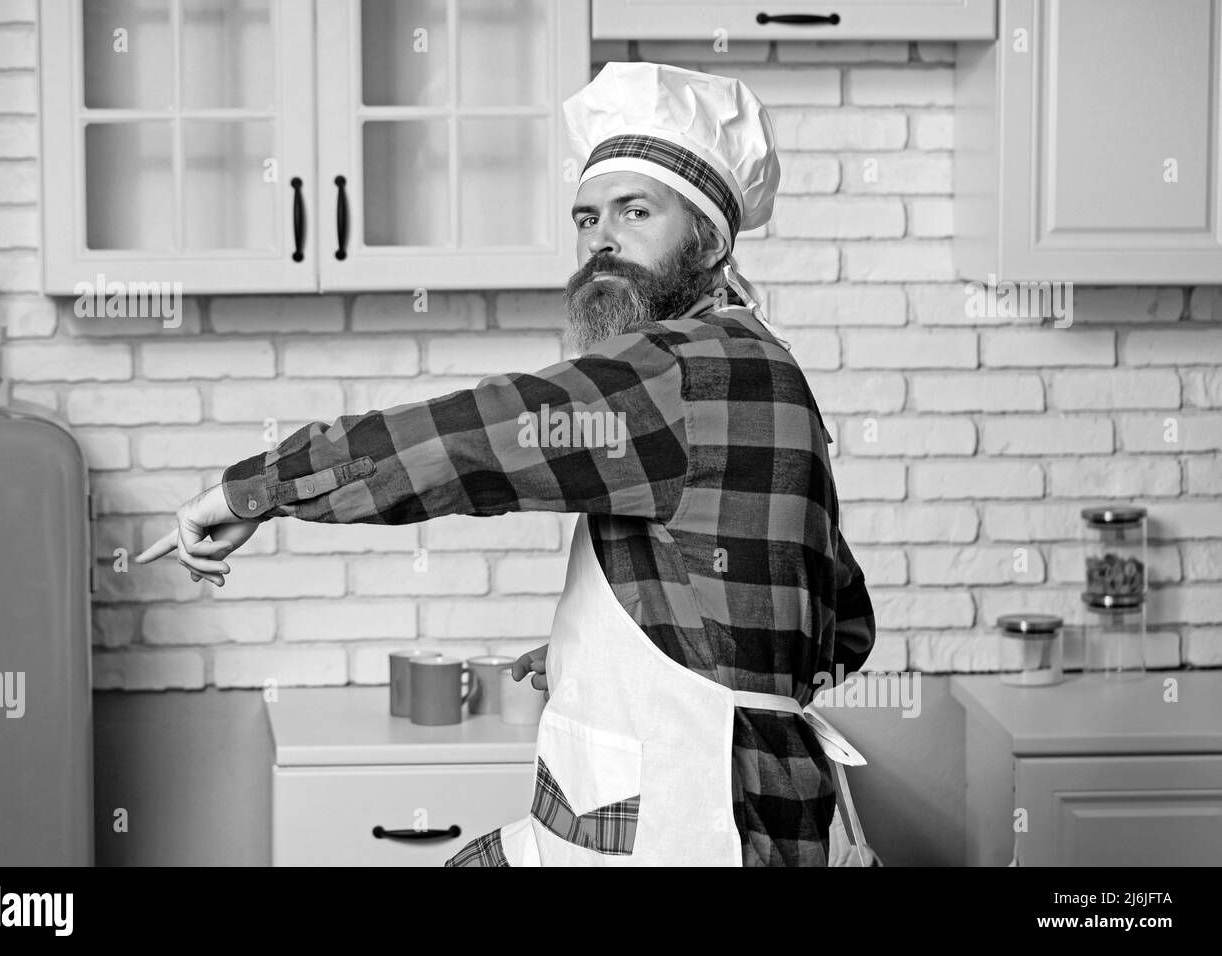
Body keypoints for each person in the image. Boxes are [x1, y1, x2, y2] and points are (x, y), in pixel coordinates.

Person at [137, 61, 876, 867]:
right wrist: (628, 657)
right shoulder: (766, 365)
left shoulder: (677, 371)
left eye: (636, 212)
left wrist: (249, 493)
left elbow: (465, 442)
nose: (602, 240)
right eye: (587, 217)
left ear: (709, 240)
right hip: (766, 808)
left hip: (696, 821)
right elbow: (844, 629)